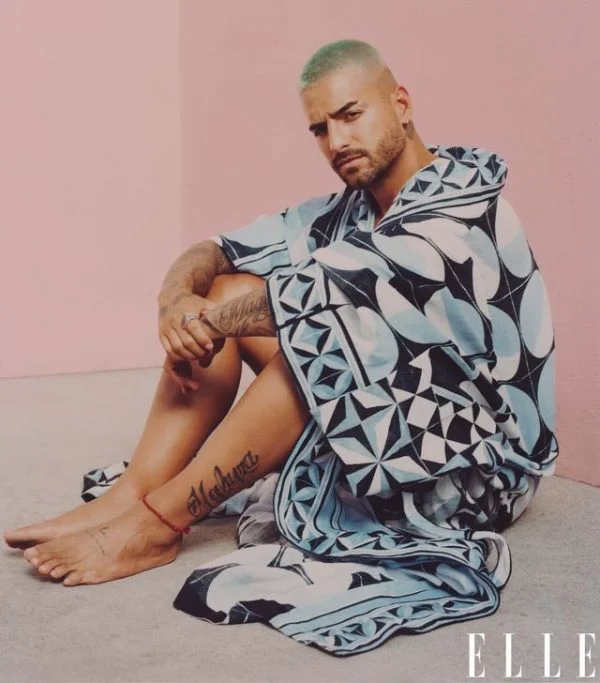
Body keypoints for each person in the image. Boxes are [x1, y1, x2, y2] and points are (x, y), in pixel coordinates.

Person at [4, 39, 557, 655]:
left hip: (477, 467)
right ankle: (135, 491)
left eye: (351, 115)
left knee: (318, 333)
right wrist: (176, 301)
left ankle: (157, 524)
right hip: (399, 414)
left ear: (400, 104)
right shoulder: (353, 208)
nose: (337, 141)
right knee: (228, 287)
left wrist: (206, 324)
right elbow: (218, 250)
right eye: (320, 129)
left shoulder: (459, 209)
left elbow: (323, 299)